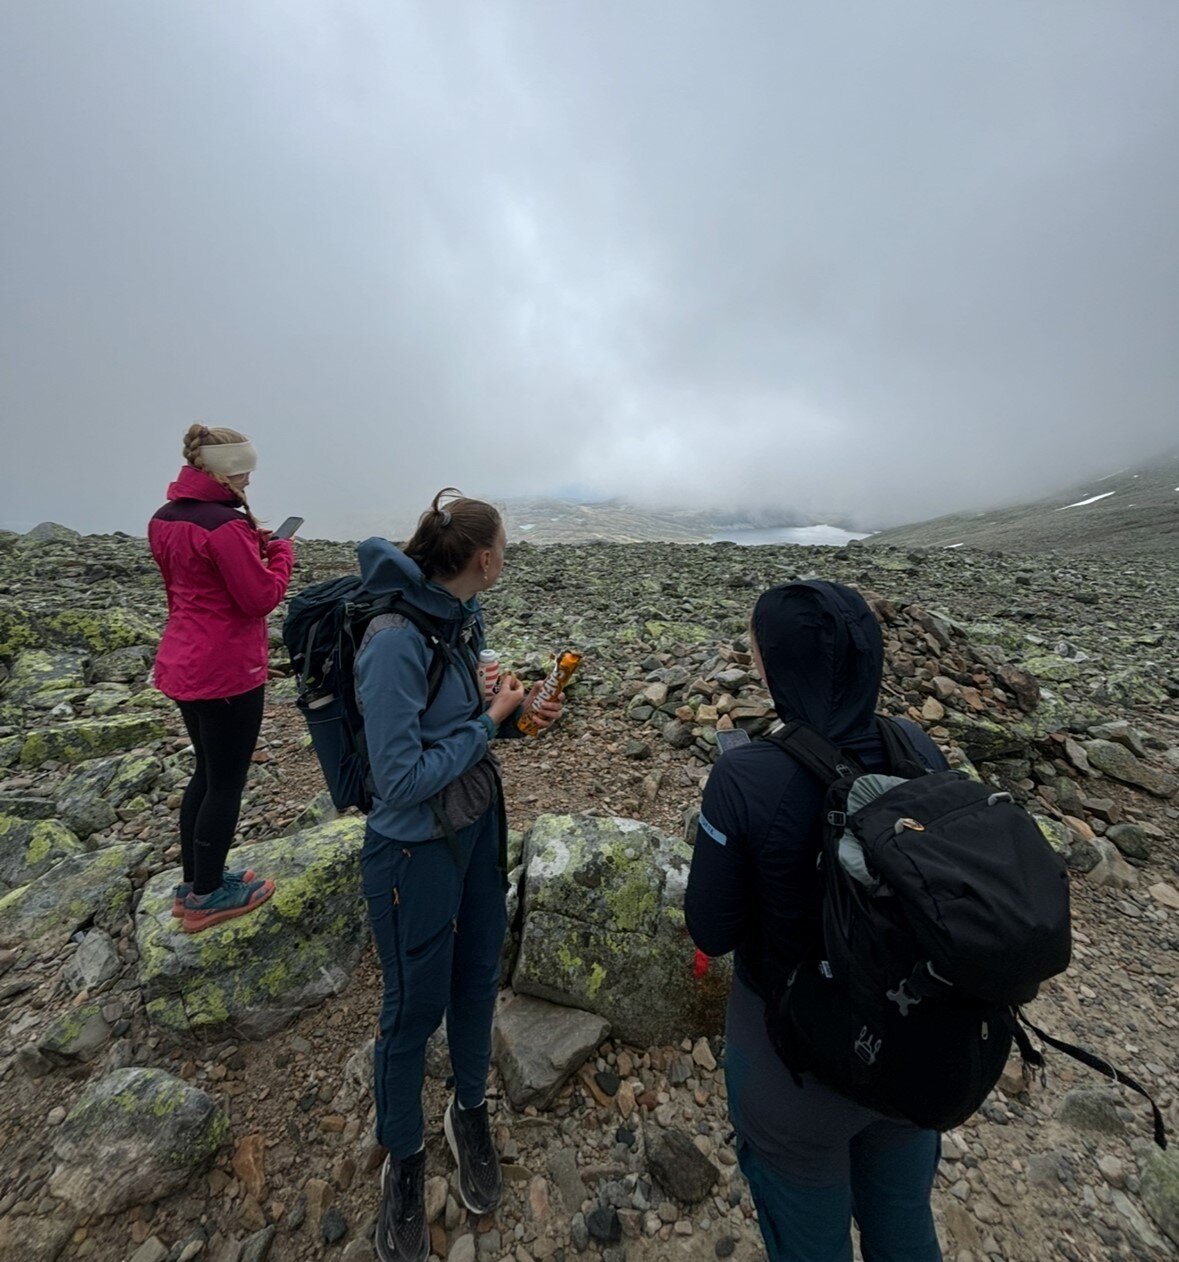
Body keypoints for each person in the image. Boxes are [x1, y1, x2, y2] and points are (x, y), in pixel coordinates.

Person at [685, 581, 947, 1262]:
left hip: (792, 1067)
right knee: (903, 1225)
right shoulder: (916, 748)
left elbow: (709, 930)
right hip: (911, 1052)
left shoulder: (745, 776)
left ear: (777, 665)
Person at [356, 488, 563, 1262]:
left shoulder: (459, 617)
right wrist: (487, 723)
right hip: (412, 848)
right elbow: (399, 778)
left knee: (478, 976)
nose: (506, 557)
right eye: (504, 548)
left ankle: (466, 1107)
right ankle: (403, 1158)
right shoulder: (391, 639)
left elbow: (447, 727)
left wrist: (500, 708)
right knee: (410, 1009)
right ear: (482, 559)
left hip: (477, 824)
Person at [149, 424, 293, 933]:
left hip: (182, 663)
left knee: (206, 773)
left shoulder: (166, 518)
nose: (249, 479)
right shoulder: (223, 526)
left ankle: (195, 882)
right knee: (226, 782)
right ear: (225, 468)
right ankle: (209, 895)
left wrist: (245, 544)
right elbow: (258, 598)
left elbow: (195, 580)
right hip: (227, 671)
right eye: (244, 470)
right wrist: (281, 556)